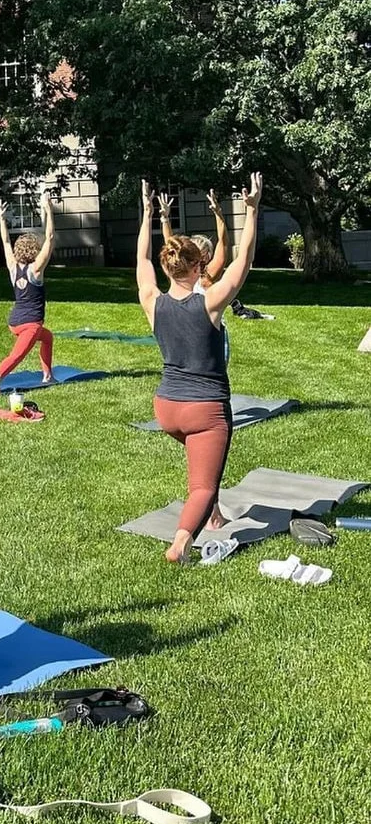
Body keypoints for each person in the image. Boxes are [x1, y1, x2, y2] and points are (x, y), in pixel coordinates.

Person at [136, 174, 263, 564]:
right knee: (202, 484)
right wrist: (252, 210)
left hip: (166, 409)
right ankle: (180, 544)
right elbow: (244, 261)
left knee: (205, 462)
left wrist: (146, 214)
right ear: (198, 265)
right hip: (204, 409)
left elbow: (141, 260)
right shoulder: (208, 303)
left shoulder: (151, 300)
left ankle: (216, 514)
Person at [0, 193, 56, 392]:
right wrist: (48, 210)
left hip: (14, 322)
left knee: (48, 337)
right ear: (33, 251)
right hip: (30, 324)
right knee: (17, 355)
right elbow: (50, 238)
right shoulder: (35, 269)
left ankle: (47, 375)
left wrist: (1, 218)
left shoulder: (13, 266)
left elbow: (6, 242)